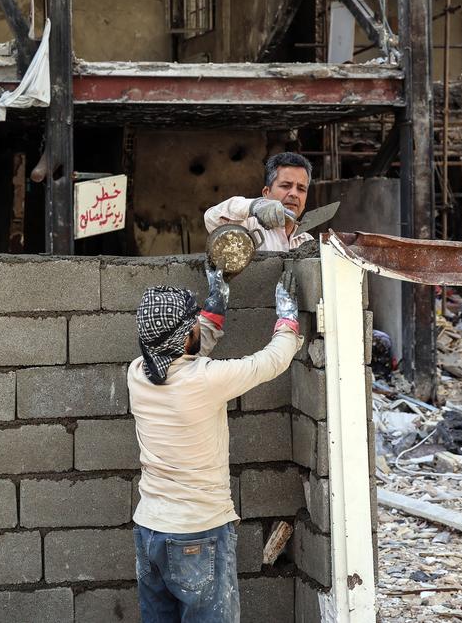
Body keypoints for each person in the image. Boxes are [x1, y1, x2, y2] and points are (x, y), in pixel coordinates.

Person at [129, 267, 304, 622]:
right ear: (182, 338)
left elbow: (180, 353)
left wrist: (213, 308)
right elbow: (271, 361)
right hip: (197, 534)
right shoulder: (206, 381)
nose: (197, 326)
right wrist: (287, 320)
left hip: (149, 532)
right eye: (192, 323)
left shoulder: (137, 374)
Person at [204, 151, 314, 252]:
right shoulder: (246, 227)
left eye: (301, 189)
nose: (294, 194)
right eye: (285, 186)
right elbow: (212, 218)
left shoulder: (308, 241)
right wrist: (255, 205)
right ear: (266, 193)